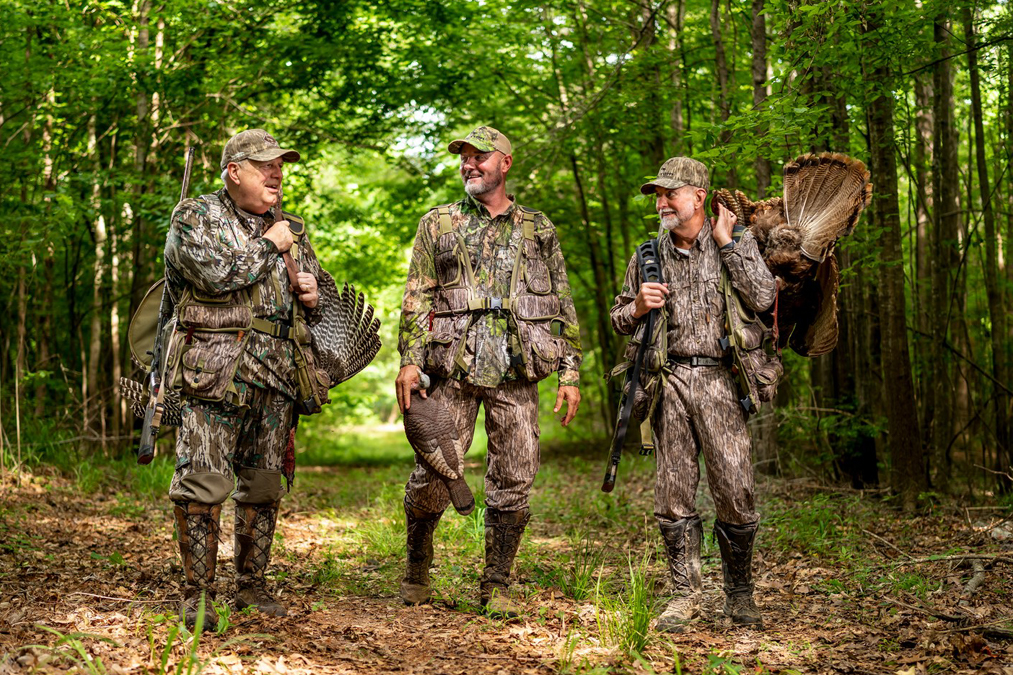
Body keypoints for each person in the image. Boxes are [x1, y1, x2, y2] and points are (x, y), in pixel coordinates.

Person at [395, 126, 582, 617]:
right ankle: (418, 564)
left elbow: (562, 302)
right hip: (451, 367)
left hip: (518, 371)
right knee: (435, 472)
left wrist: (570, 372)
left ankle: (497, 581)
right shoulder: (438, 223)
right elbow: (417, 296)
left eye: (481, 157)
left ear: (506, 163)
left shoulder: (537, 228)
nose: (470, 164)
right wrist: (410, 360)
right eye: (464, 158)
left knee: (515, 477)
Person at [163, 129, 323, 627]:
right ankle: (198, 594)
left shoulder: (291, 226)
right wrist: (269, 247)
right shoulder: (195, 215)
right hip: (212, 371)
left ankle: (251, 585)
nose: (277, 173)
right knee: (203, 483)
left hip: (275, 375)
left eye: (281, 165)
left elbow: (310, 304)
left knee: (262, 485)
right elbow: (210, 275)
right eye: (265, 166)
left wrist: (311, 293)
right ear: (234, 172)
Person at [609, 157, 776, 631]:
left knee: (736, 488)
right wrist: (638, 306)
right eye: (657, 196)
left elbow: (764, 299)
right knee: (673, 492)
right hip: (668, 381)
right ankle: (683, 596)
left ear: (699, 196)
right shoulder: (647, 254)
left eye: (670, 193)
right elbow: (619, 317)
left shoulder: (736, 243)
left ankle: (739, 595)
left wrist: (726, 243)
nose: (661, 203)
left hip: (722, 381)